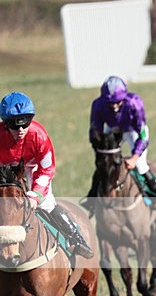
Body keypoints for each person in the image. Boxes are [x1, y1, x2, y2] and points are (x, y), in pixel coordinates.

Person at [0, 91, 93, 258]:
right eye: (15, 125)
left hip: (33, 167)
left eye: (25, 123)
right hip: (4, 169)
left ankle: (76, 238)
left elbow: (47, 169)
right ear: (5, 124)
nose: (21, 130)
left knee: (47, 202)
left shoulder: (39, 136)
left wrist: (35, 195)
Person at [81, 76, 156, 213]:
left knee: (141, 165)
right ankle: (91, 198)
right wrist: (100, 152)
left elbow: (142, 135)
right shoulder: (98, 105)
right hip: (113, 129)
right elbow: (95, 130)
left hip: (133, 130)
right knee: (104, 165)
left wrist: (134, 157)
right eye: (110, 103)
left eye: (118, 102)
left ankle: (155, 197)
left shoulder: (134, 103)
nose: (114, 106)